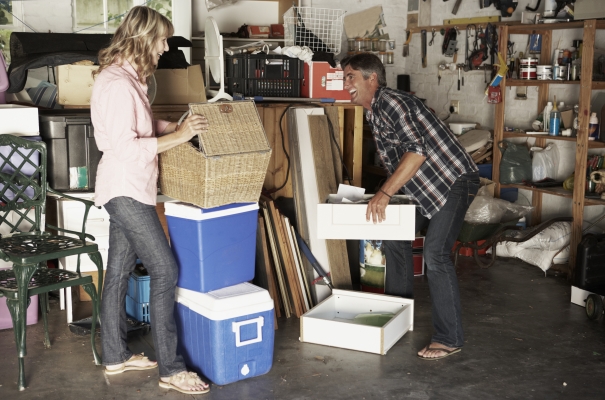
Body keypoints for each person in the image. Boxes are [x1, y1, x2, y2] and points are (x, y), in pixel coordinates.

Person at [91, 6, 209, 394]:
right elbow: (127, 147)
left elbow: (138, 126)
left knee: (118, 272)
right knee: (165, 270)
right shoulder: (117, 84)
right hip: (125, 189)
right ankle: (172, 369)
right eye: (161, 40)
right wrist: (178, 137)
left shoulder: (129, 78)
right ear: (143, 39)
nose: (165, 47)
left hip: (131, 188)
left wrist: (172, 127)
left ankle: (115, 356)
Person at [341, 53, 480, 361]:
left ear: (372, 79)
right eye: (344, 77)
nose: (345, 83)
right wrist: (383, 192)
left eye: (351, 76)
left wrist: (385, 193)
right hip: (424, 187)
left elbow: (416, 153)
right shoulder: (374, 112)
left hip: (453, 180)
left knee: (436, 253)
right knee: (395, 237)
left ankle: (449, 338)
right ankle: (398, 318)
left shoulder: (391, 102)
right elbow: (401, 160)